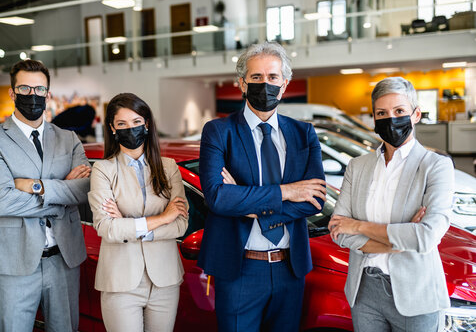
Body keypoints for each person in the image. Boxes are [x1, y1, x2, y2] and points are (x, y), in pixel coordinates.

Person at [198, 41, 326, 332]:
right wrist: (287, 191)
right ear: (241, 84)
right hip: (240, 268)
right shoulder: (219, 132)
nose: (264, 84)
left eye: (272, 77)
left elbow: (314, 199)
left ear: (284, 85)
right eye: (256, 78)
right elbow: (218, 197)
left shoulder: (303, 133)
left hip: (289, 268)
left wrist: (248, 205)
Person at [328, 77, 454, 332]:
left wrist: (358, 225)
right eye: (382, 113)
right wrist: (396, 244)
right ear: (374, 120)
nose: (391, 119)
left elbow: (426, 236)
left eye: (399, 111)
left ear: (415, 114)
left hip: (415, 294)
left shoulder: (435, 166)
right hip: (364, 291)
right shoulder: (358, 166)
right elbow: (339, 231)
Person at [0, 59, 91, 331]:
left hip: (64, 259)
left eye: (40, 89)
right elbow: (2, 201)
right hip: (13, 262)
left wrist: (36, 185)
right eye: (25, 89)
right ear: (12, 93)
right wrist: (62, 195)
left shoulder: (68, 138)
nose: (33, 96)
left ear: (48, 94)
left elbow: (85, 189)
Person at [88, 93, 189, 332]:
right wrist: (163, 217)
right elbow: (107, 228)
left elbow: (181, 224)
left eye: (135, 122)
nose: (130, 129)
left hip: (164, 280)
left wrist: (128, 224)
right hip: (121, 282)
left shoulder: (169, 167)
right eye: (121, 124)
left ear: (147, 124)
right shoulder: (103, 170)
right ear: (112, 128)